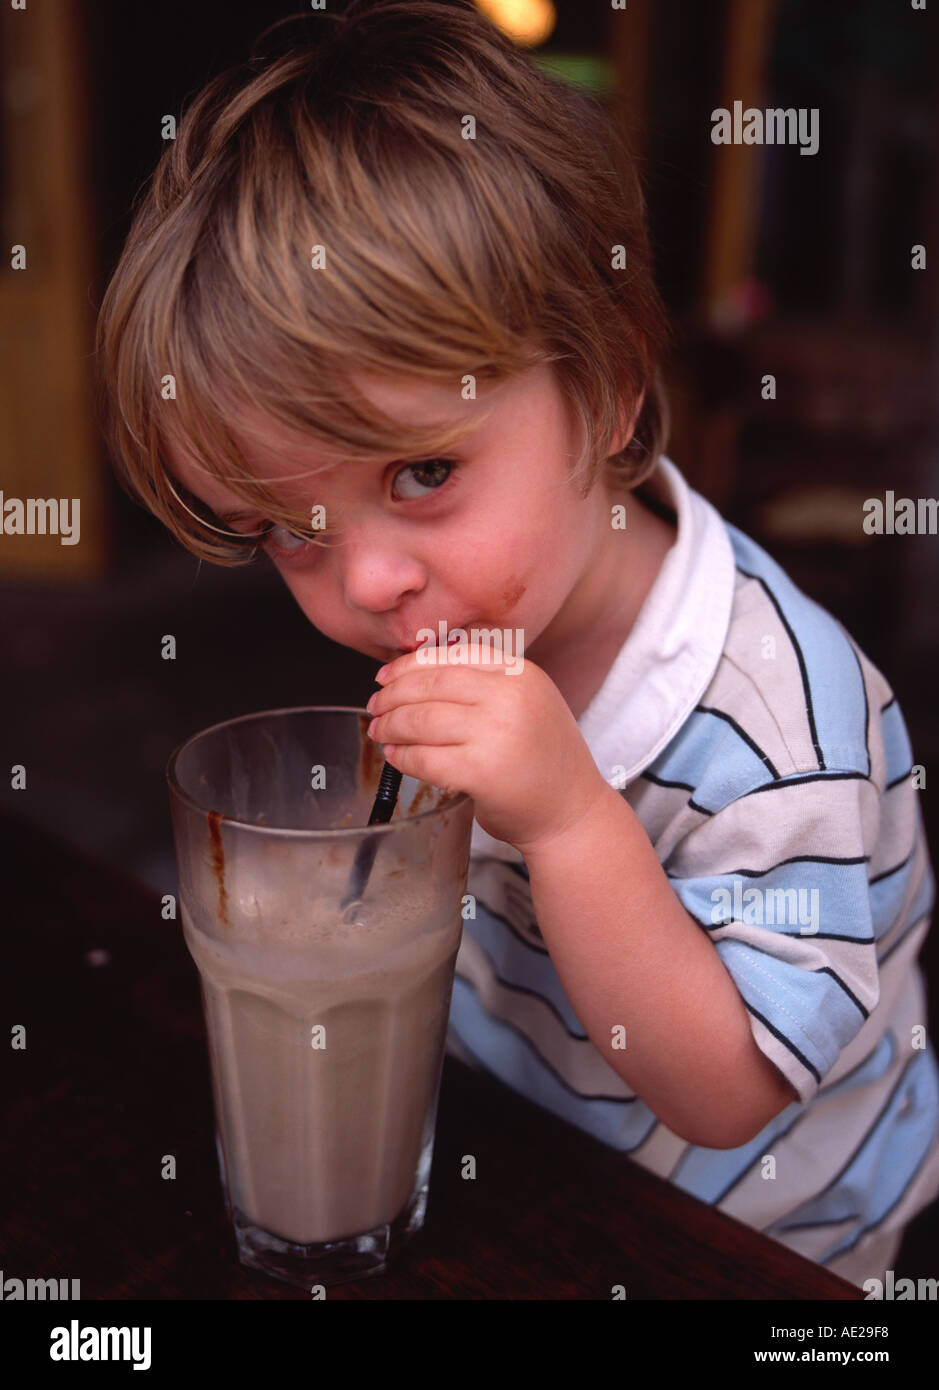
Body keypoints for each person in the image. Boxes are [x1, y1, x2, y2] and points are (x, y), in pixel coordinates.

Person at [94, 0, 939, 1292]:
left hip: (761, 1250)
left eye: (424, 469)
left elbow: (728, 1088)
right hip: (536, 1171)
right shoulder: (468, 606)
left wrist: (566, 819)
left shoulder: (783, 717)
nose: (368, 579)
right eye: (289, 527)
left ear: (603, 389)